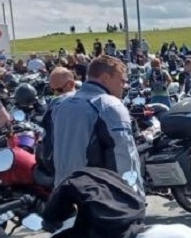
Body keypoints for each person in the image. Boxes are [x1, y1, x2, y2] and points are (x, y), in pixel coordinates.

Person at [46, 54, 141, 188]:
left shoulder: (58, 104)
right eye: (122, 80)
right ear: (106, 78)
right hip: (98, 197)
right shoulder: (110, 106)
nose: (124, 85)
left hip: (63, 192)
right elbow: (124, 159)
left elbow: (47, 152)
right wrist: (134, 198)